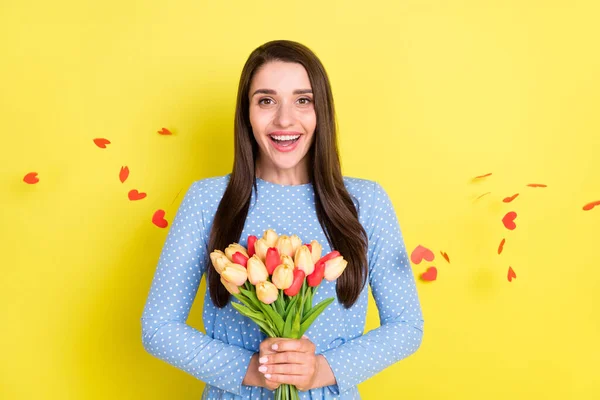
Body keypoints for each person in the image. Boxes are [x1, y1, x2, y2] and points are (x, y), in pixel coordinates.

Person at [141, 39, 424, 399]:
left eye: (302, 100)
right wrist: (255, 371)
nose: (285, 119)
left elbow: (407, 326)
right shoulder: (207, 200)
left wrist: (321, 370)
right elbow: (158, 328)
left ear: (321, 111)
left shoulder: (366, 202)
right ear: (247, 112)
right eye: (266, 100)